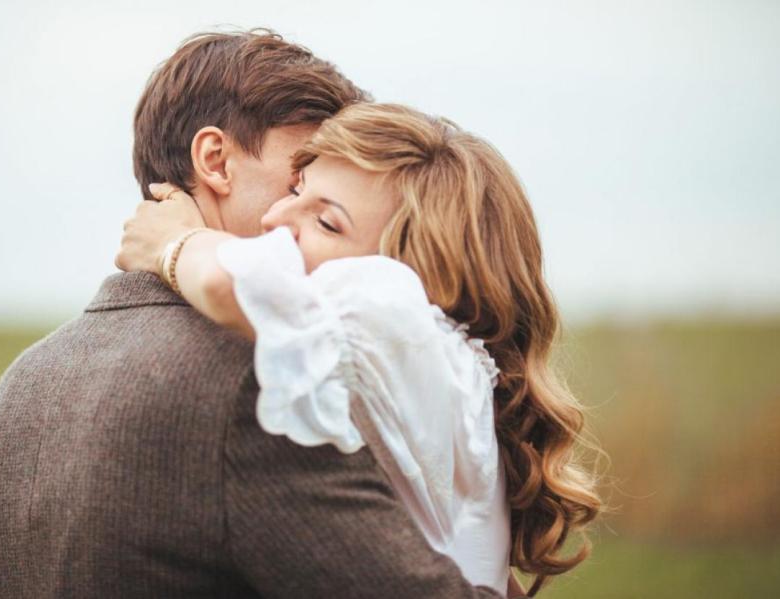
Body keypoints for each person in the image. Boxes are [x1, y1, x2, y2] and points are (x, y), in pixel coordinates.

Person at [0, 30, 506, 598]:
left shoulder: (19, 388)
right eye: (296, 180)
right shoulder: (270, 375)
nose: (284, 216)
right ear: (215, 161)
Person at [116, 103, 602, 597]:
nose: (274, 218)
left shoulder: (396, 314)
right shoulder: (437, 363)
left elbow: (229, 284)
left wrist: (171, 241)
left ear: (423, 274)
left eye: (328, 222)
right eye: (297, 191)